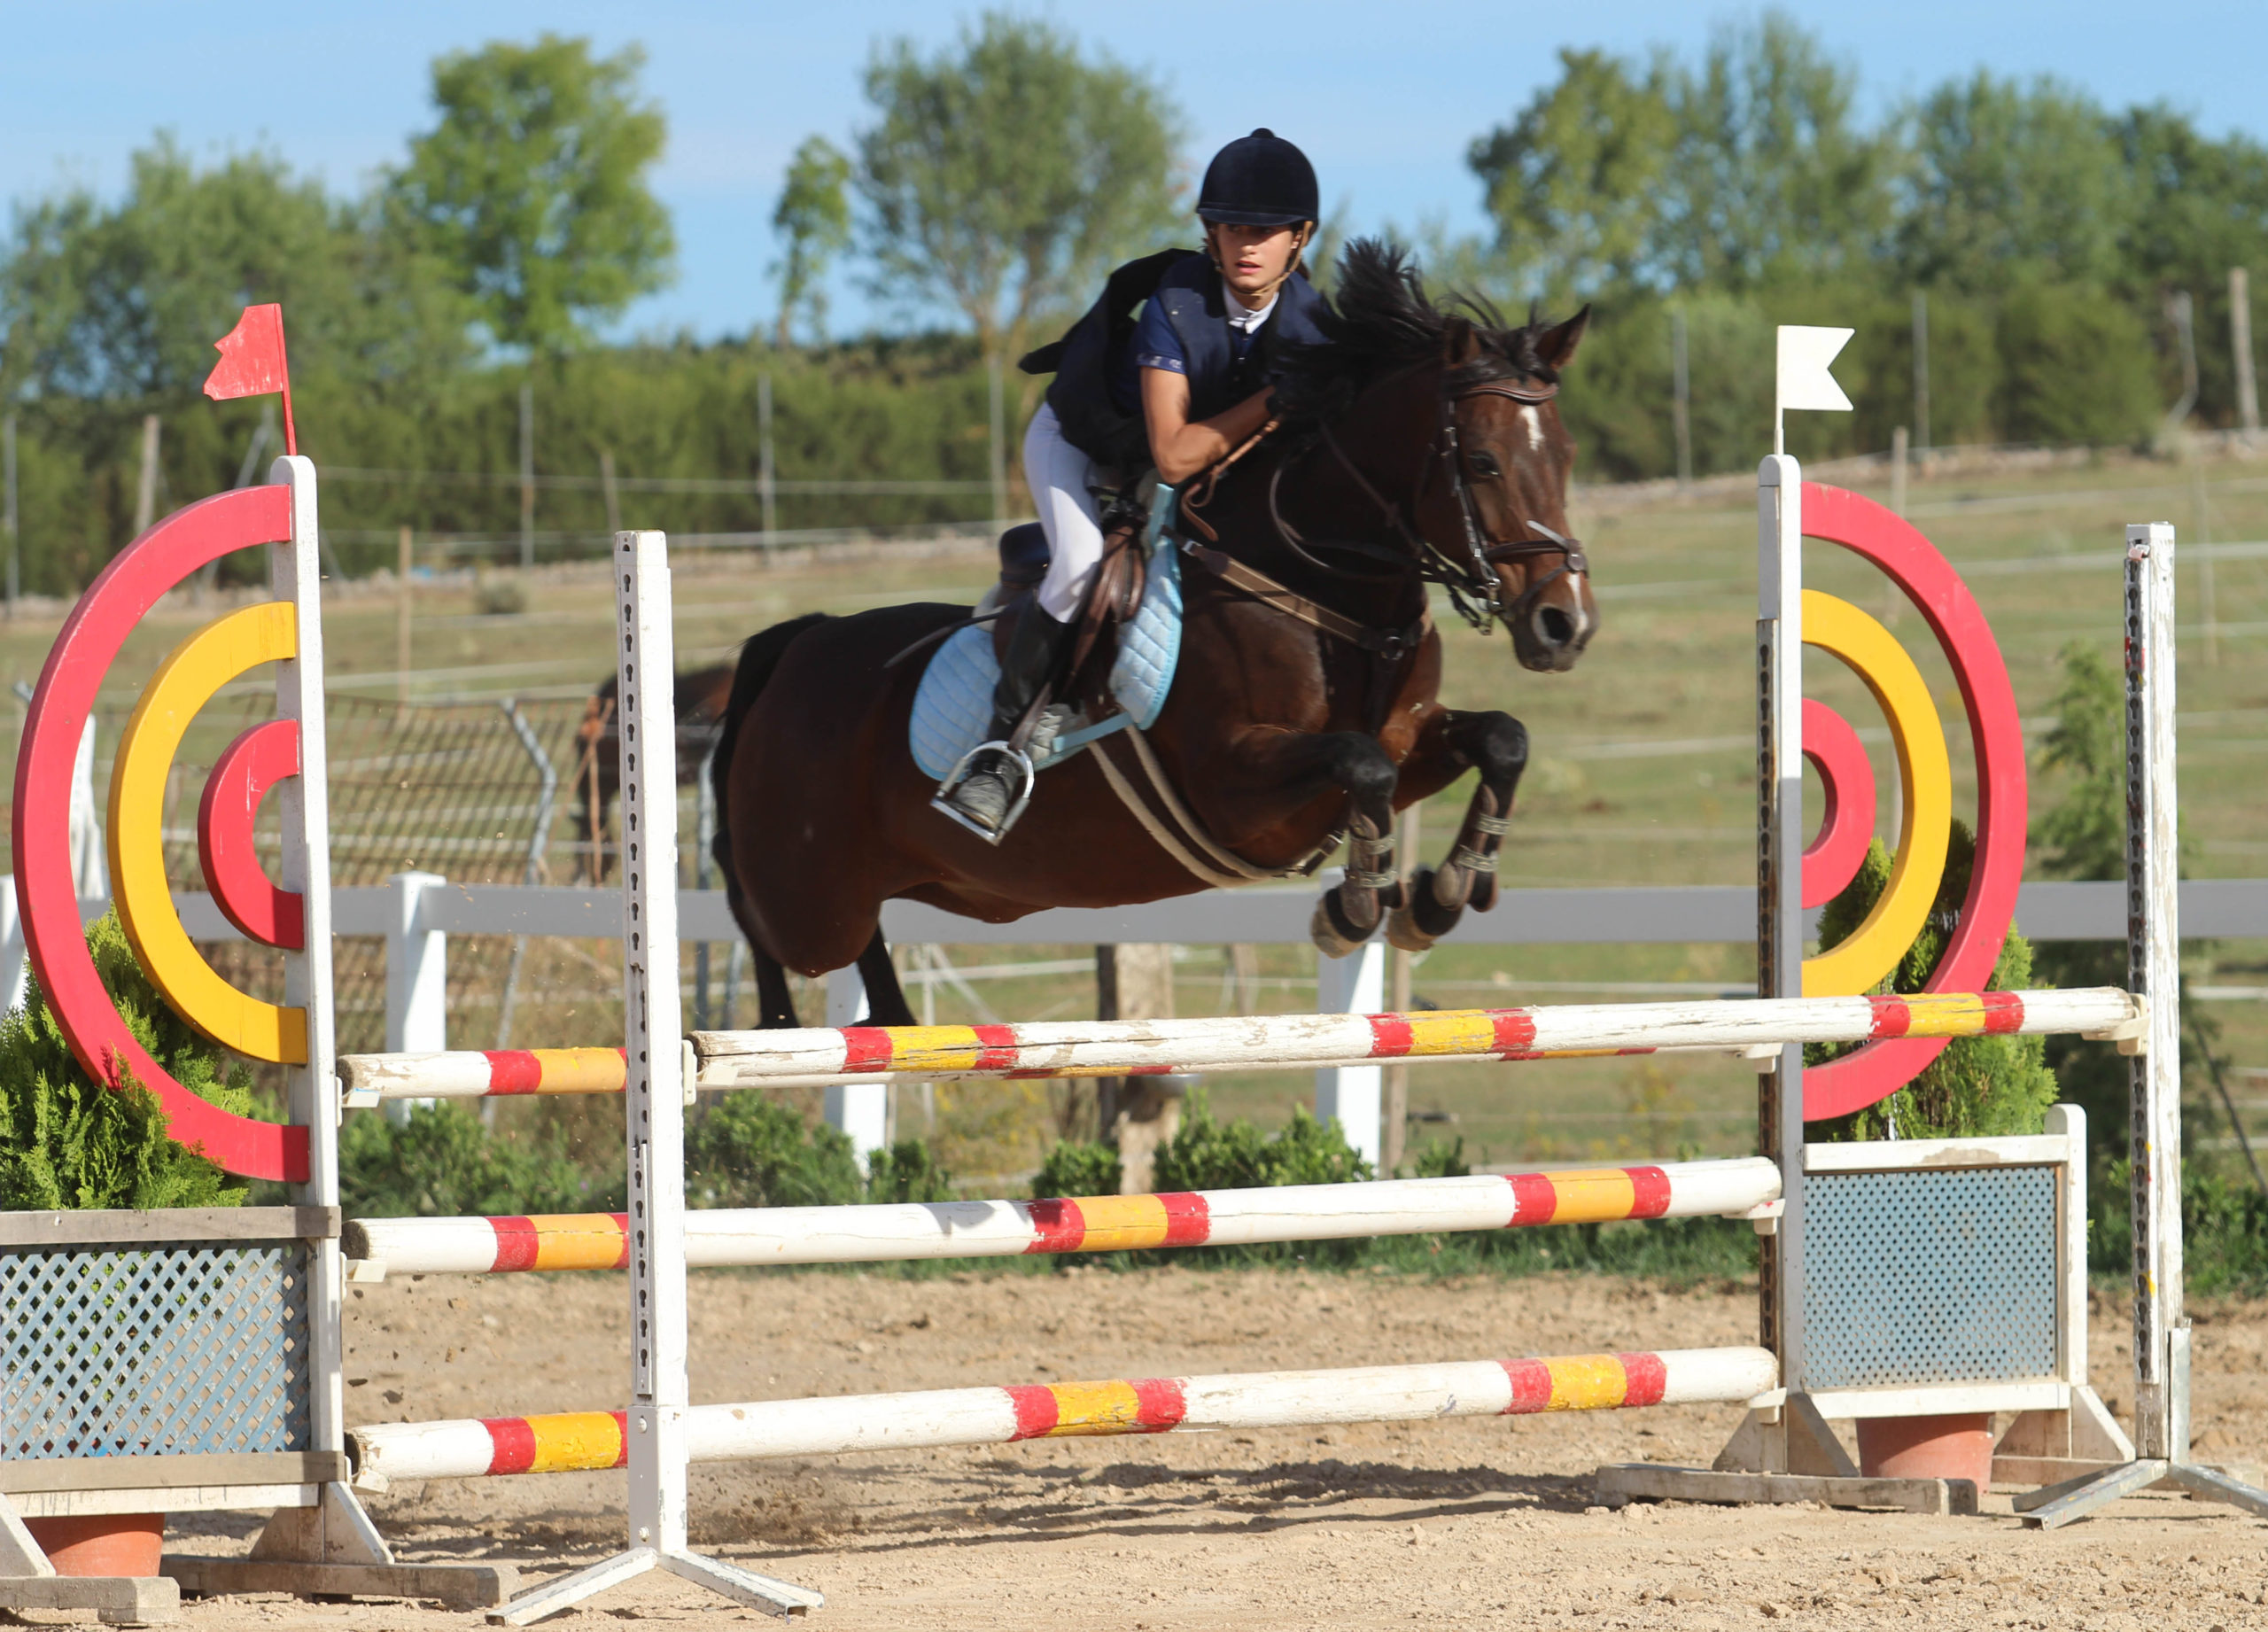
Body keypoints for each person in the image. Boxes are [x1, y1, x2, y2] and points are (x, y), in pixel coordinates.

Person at [938, 128, 1332, 838]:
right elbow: (1177, 455)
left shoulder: (1311, 323)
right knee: (1082, 566)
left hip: (1162, 466)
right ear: (1210, 234)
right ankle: (998, 753)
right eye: (1233, 228)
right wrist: (1277, 400)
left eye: (1267, 232)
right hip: (1081, 446)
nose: (1248, 245)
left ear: (1300, 239)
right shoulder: (1176, 303)